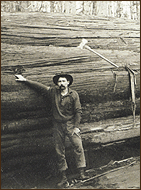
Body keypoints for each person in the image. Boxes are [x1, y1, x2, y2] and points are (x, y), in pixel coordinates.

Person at [15, 72, 88, 188]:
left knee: (78, 146)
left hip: (70, 124)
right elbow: (40, 87)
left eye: (63, 81)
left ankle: (81, 173)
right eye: (59, 81)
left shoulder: (74, 94)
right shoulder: (53, 92)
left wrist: (76, 127)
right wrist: (25, 80)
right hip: (57, 125)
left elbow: (78, 111)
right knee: (59, 151)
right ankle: (64, 177)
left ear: (68, 82)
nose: (61, 83)